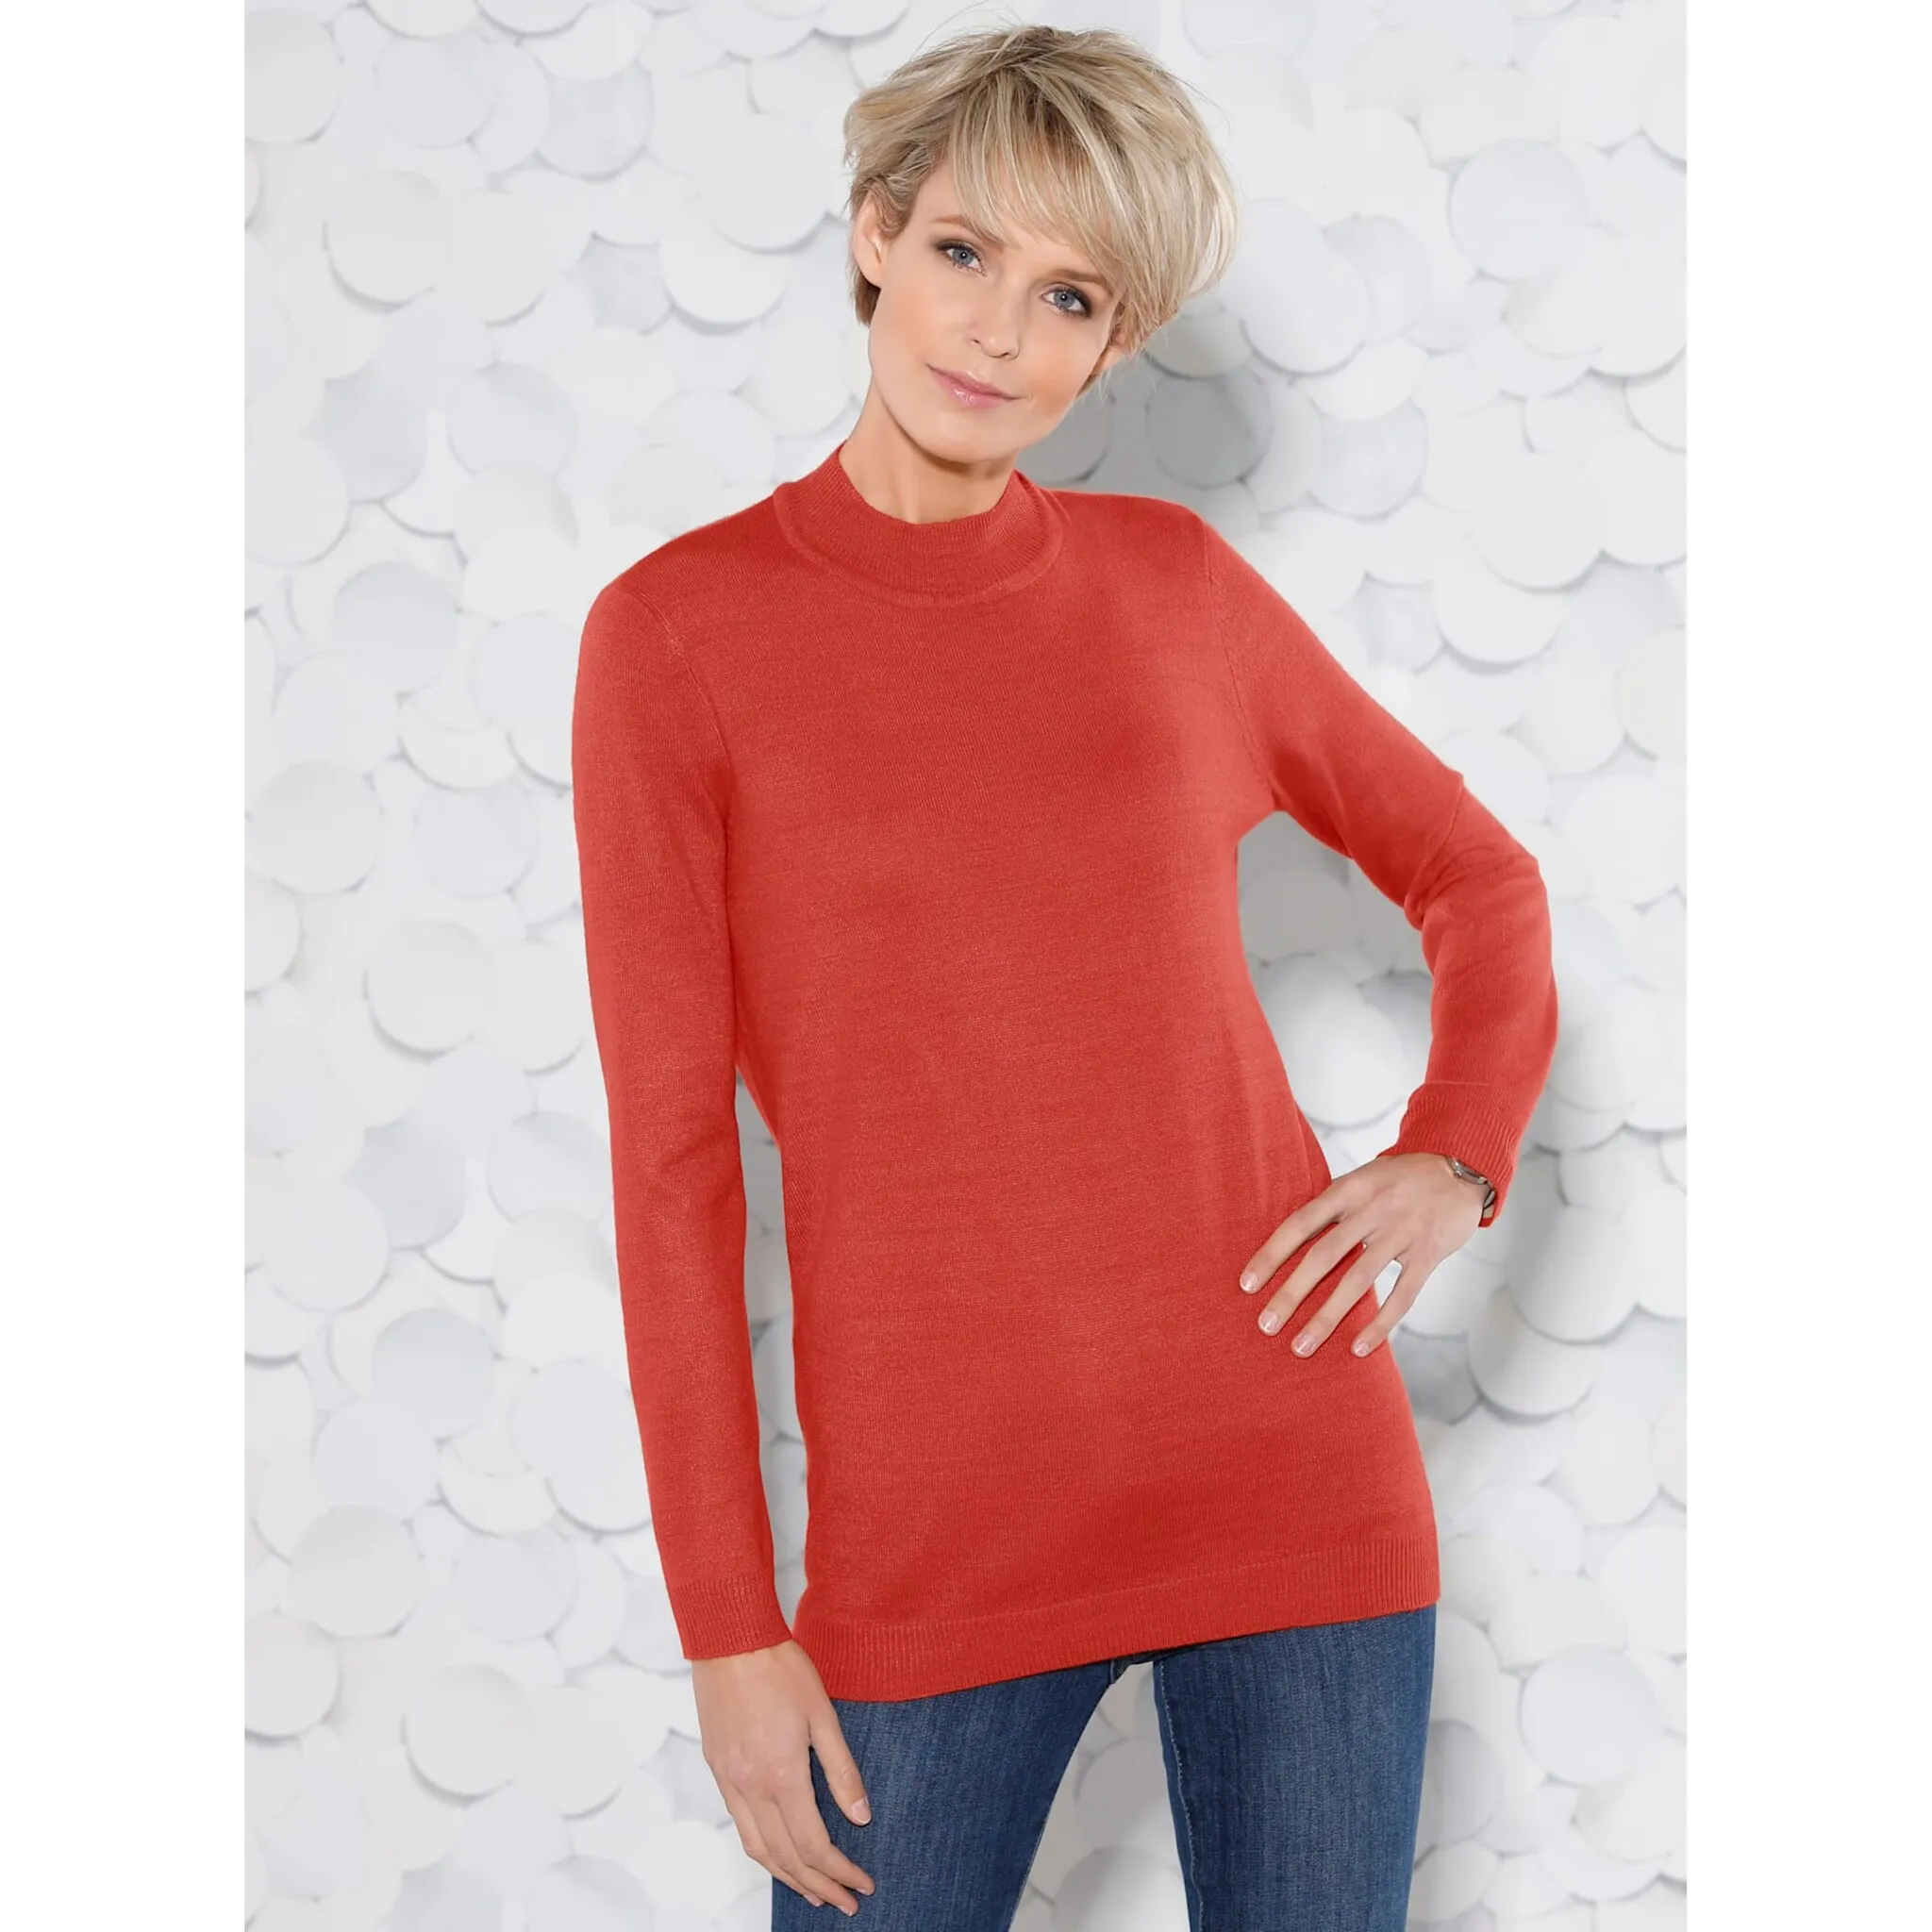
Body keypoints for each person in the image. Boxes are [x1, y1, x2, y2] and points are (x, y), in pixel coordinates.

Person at [570, 24, 1558, 1929]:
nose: (998, 332)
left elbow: (1483, 881)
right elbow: (673, 1173)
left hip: (1292, 1480)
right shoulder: (677, 638)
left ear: (1117, 345)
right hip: (937, 1538)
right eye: (964, 251)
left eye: (1071, 296)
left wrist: (1455, 1154)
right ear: (875, 232)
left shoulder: (1175, 590)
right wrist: (729, 1630)